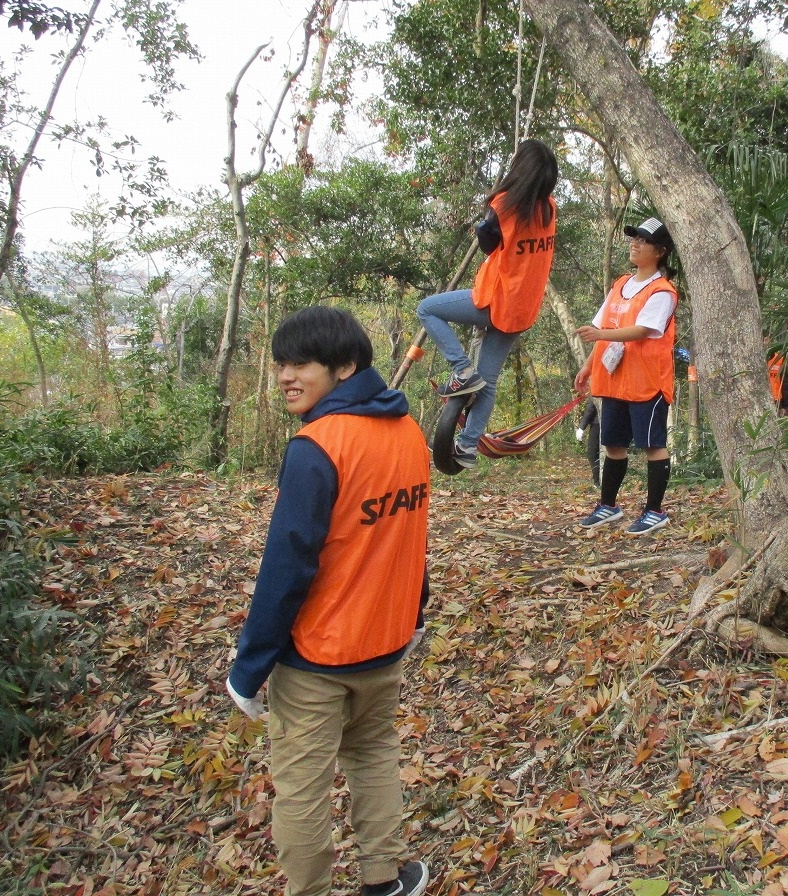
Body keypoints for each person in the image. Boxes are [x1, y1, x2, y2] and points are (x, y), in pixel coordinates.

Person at [226, 306, 431, 896]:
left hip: (319, 654)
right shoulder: (407, 431)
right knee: (371, 756)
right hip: (385, 643)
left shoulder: (318, 445)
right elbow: (411, 536)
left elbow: (287, 566)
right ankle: (383, 880)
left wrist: (249, 668)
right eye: (281, 364)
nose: (287, 376)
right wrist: (412, 616)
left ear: (344, 367)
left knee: (301, 787)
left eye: (302, 364)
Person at [416, 139, 558, 470]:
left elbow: (488, 244)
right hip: (522, 311)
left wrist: (484, 224)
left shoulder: (504, 204)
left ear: (519, 169)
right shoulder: (549, 209)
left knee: (428, 308)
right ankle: (466, 447)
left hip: (495, 302)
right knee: (488, 382)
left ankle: (461, 367)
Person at [573, 216, 679, 536]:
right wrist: (589, 367)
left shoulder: (662, 291)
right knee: (613, 444)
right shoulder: (620, 284)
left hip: (647, 382)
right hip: (615, 380)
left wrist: (602, 333)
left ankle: (654, 511)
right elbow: (602, 331)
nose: (634, 243)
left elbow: (644, 330)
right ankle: (608, 506)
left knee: (652, 445)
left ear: (659, 251)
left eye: (643, 240)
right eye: (633, 238)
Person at [577, 397, 601, 485]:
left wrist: (581, 428)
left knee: (592, 454)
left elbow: (590, 410)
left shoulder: (597, 390)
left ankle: (597, 481)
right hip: (610, 424)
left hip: (597, 426)